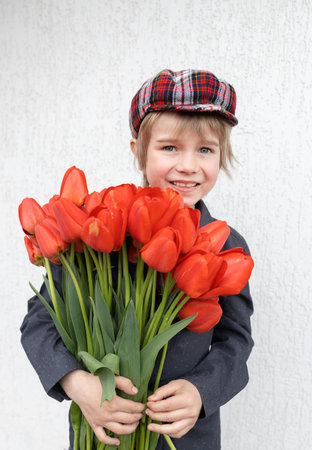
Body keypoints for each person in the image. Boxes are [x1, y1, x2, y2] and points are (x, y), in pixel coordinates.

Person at [20, 69, 254, 450]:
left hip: (187, 438)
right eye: (170, 148)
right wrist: (78, 384)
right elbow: (38, 322)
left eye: (206, 150)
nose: (188, 166)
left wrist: (201, 391)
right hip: (101, 434)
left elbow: (236, 340)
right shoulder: (93, 232)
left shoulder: (226, 246)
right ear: (138, 152)